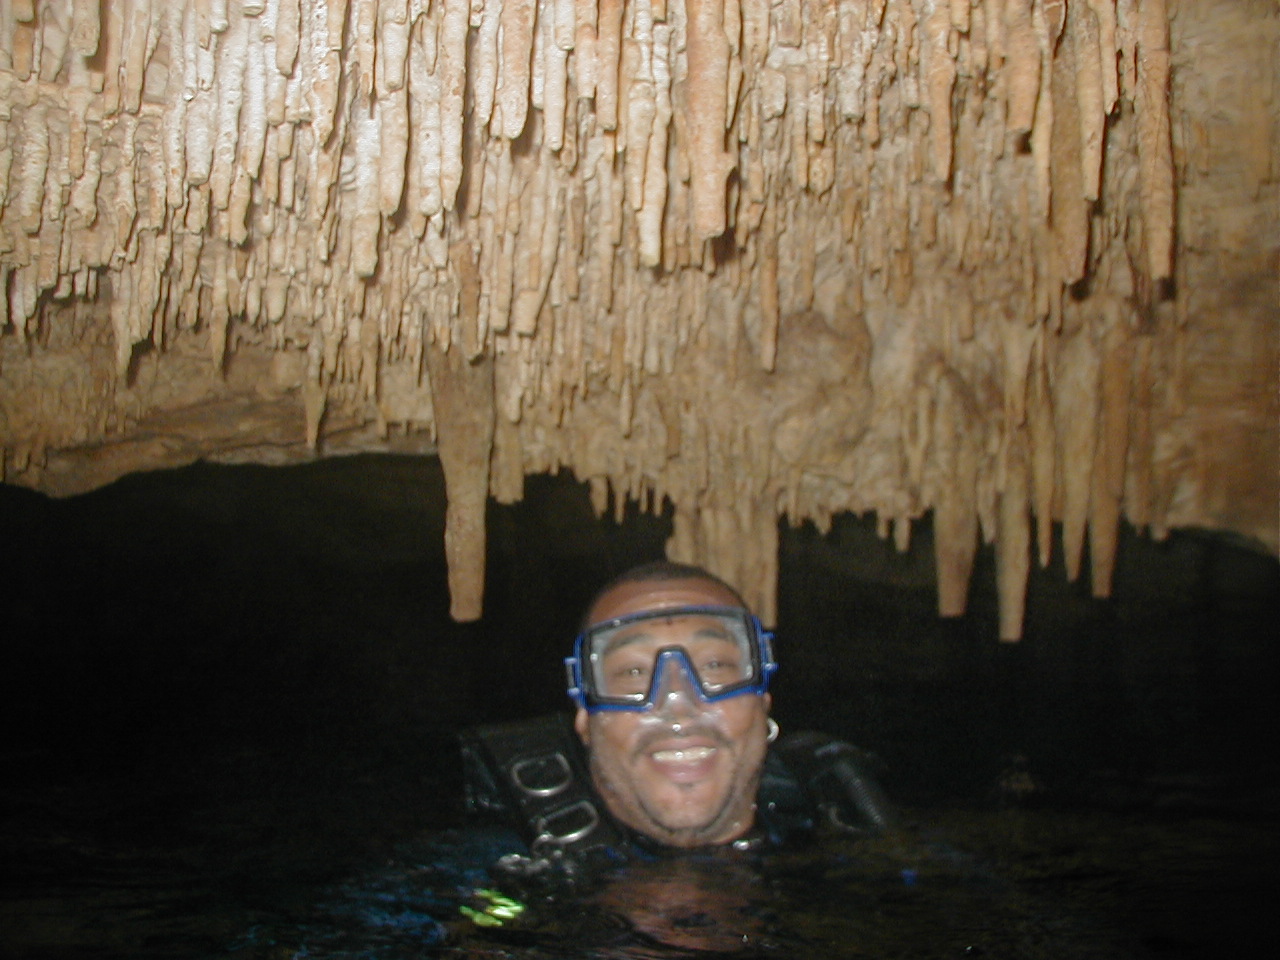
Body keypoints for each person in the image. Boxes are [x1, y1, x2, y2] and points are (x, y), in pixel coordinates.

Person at [461, 561, 894, 876]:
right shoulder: (505, 866)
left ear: (762, 704)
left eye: (715, 667)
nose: (678, 704)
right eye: (633, 673)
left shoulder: (849, 840)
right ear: (585, 720)